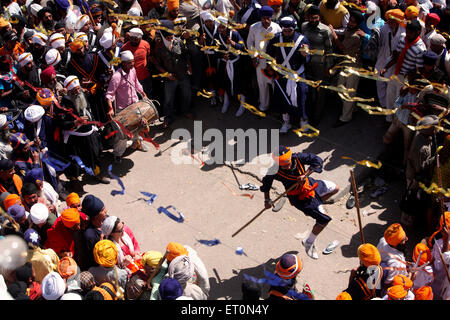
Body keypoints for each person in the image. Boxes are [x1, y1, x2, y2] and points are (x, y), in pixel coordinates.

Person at [261, 146, 339, 259]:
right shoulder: (274, 170)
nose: (287, 166)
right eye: (283, 165)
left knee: (335, 188)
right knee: (324, 220)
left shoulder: (297, 157)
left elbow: (317, 160)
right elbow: (266, 184)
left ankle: (316, 206)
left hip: (310, 184)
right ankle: (309, 241)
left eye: (288, 162)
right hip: (300, 198)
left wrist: (306, 173)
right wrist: (267, 200)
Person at [59, 75, 109, 184]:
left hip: (89, 132)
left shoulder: (83, 95)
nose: (78, 91)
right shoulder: (64, 104)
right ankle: (74, 181)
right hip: (75, 137)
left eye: (78, 88)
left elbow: (89, 110)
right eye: (75, 90)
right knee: (75, 161)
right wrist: (75, 122)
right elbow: (61, 123)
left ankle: (98, 174)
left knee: (95, 155)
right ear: (69, 91)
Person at [266, 16, 310, 132]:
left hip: (297, 74)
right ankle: (286, 121)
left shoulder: (302, 40)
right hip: (282, 74)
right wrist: (269, 65)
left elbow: (308, 58)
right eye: (285, 31)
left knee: (301, 96)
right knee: (282, 98)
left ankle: (303, 119)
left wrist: (305, 55)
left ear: (294, 29)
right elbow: (268, 54)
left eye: (289, 31)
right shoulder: (276, 39)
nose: (287, 33)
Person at [105, 50, 149, 163]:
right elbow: (109, 95)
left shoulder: (133, 70)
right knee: (123, 135)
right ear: (123, 63)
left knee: (139, 127)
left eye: (133, 62)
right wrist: (110, 108)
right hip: (123, 109)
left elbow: (136, 83)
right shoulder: (116, 76)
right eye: (129, 63)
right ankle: (118, 154)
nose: (132, 64)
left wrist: (143, 94)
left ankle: (137, 143)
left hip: (135, 105)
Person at [382, 19, 426, 119]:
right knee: (390, 97)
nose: (408, 34)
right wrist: (386, 67)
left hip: (405, 79)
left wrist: (408, 85)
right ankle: (388, 120)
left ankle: (396, 123)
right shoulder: (403, 39)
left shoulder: (420, 49)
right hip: (396, 73)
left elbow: (419, 71)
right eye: (407, 31)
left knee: (399, 101)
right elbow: (396, 57)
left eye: (411, 32)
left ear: (418, 32)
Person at [153, 19, 194, 127]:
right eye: (168, 38)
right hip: (169, 78)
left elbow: (186, 55)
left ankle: (185, 111)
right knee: (168, 99)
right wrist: (166, 74)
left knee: (186, 94)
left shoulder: (178, 41)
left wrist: (189, 66)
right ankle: (168, 117)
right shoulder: (159, 47)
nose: (171, 39)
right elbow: (157, 64)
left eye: (171, 37)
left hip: (183, 74)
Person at [330, 10, 365, 127]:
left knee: (349, 92)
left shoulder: (356, 36)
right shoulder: (349, 30)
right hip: (346, 63)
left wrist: (333, 34)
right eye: (350, 20)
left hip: (353, 66)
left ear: (358, 24)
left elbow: (341, 46)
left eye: (353, 22)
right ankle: (352, 109)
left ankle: (345, 117)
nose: (350, 23)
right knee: (341, 88)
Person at [300, 5, 333, 125]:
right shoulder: (304, 26)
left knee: (320, 93)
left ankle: (317, 117)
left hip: (320, 65)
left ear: (319, 17)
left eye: (316, 18)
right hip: (307, 64)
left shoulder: (326, 31)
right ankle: (307, 114)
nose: (313, 20)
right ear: (307, 17)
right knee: (307, 90)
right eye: (311, 18)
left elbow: (329, 51)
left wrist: (328, 68)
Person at [246, 6, 281, 112]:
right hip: (259, 61)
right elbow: (249, 43)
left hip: (273, 62)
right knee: (262, 84)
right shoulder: (254, 27)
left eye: (268, 18)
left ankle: (278, 108)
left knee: (276, 84)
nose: (265, 20)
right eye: (263, 18)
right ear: (260, 17)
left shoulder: (277, 28)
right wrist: (253, 57)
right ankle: (264, 106)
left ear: (271, 17)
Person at [214, 16, 247, 117]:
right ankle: (226, 102)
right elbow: (215, 50)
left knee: (239, 83)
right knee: (225, 82)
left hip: (236, 63)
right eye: (219, 27)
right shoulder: (217, 36)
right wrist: (222, 55)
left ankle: (242, 104)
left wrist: (233, 43)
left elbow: (243, 47)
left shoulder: (235, 34)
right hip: (225, 63)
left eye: (223, 27)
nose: (221, 29)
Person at [376, 223, 409, 291]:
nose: (407, 239)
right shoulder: (397, 262)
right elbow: (388, 284)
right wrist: (410, 276)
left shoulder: (383, 240)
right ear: (396, 245)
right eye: (403, 240)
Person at [82, 194, 108, 269]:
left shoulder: (106, 219)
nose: (106, 211)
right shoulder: (90, 235)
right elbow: (94, 260)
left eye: (104, 207)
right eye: (102, 210)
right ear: (95, 216)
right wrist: (102, 244)